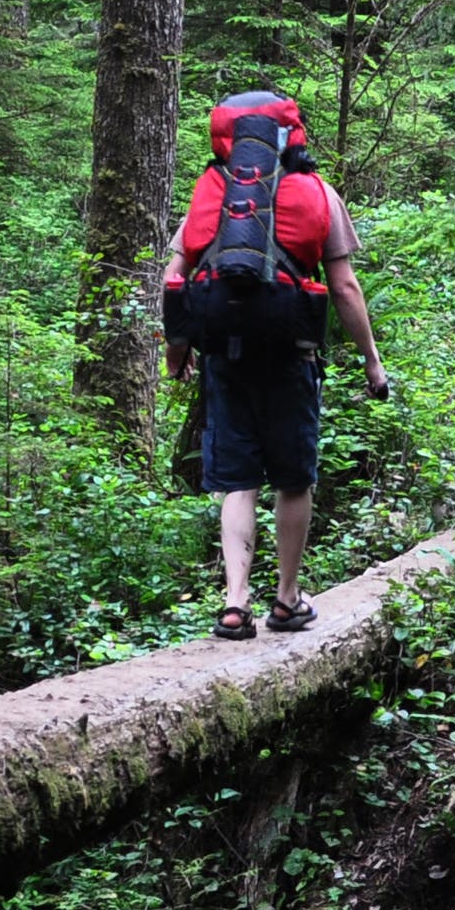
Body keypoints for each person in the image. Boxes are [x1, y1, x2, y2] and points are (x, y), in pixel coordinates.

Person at [162, 92, 389, 639]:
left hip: (226, 357)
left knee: (238, 481)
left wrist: (177, 353)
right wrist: (372, 364)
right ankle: (286, 600)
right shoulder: (318, 192)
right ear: (292, 137)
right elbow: (344, 287)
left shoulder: (212, 193)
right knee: (293, 479)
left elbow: (175, 278)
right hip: (292, 356)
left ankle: (235, 604)